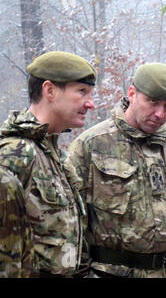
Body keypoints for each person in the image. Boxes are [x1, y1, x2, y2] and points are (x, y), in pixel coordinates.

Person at [64, 62, 166, 278]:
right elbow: (72, 223)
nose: (160, 114)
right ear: (132, 93)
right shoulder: (91, 146)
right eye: (152, 102)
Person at [0, 51, 96, 277]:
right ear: (50, 90)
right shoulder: (16, 156)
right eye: (82, 92)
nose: (90, 103)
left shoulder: (53, 155)